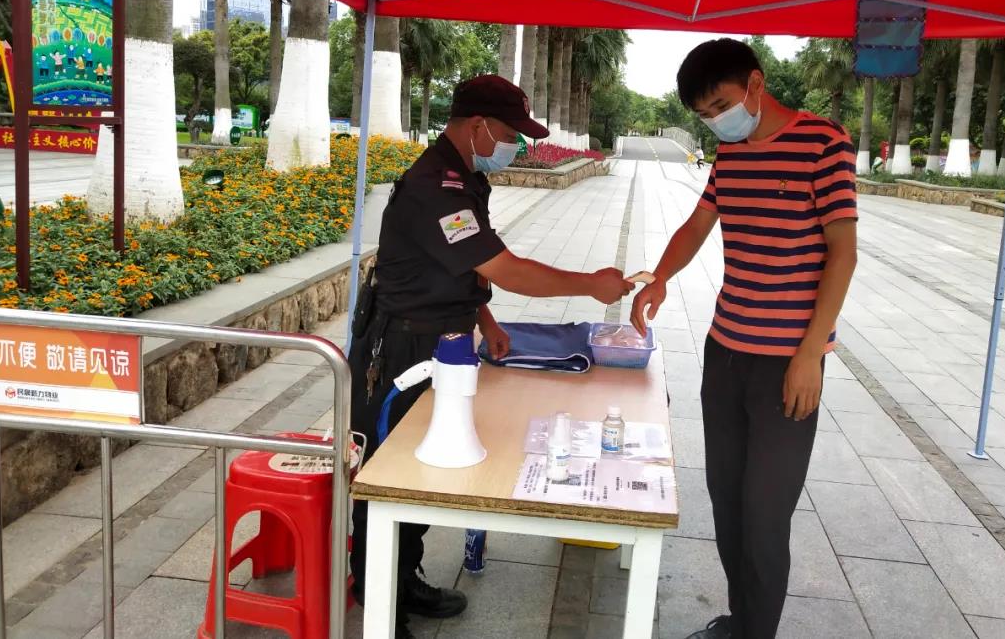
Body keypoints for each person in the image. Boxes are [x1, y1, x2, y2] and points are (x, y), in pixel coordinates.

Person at [349, 74, 633, 639]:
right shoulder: (435, 185)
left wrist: (486, 320)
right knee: (390, 477)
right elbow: (505, 268)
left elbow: (464, 267)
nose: (515, 146)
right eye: (509, 134)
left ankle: (406, 578)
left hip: (443, 340)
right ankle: (381, 603)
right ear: (477, 125)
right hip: (401, 348)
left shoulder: (466, 178)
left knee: (427, 470)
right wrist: (589, 283)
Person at [631, 39, 857, 639]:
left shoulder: (824, 143)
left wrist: (810, 354)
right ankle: (741, 622)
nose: (716, 121)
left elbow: (843, 251)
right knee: (727, 504)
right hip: (725, 351)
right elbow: (698, 224)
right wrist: (660, 277)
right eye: (704, 115)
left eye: (721, 105)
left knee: (764, 516)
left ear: (756, 84)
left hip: (788, 364)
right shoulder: (729, 155)